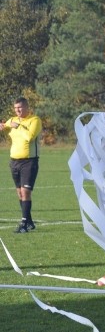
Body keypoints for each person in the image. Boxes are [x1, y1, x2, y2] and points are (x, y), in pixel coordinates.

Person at [2, 97, 42, 233]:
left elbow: (30, 137)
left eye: (20, 107)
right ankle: (29, 221)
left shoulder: (34, 120)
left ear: (26, 107)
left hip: (29, 161)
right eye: (15, 108)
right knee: (19, 192)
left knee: (25, 192)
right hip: (14, 161)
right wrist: (2, 127)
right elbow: (5, 126)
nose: (17, 110)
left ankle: (24, 223)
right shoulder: (12, 120)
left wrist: (18, 126)